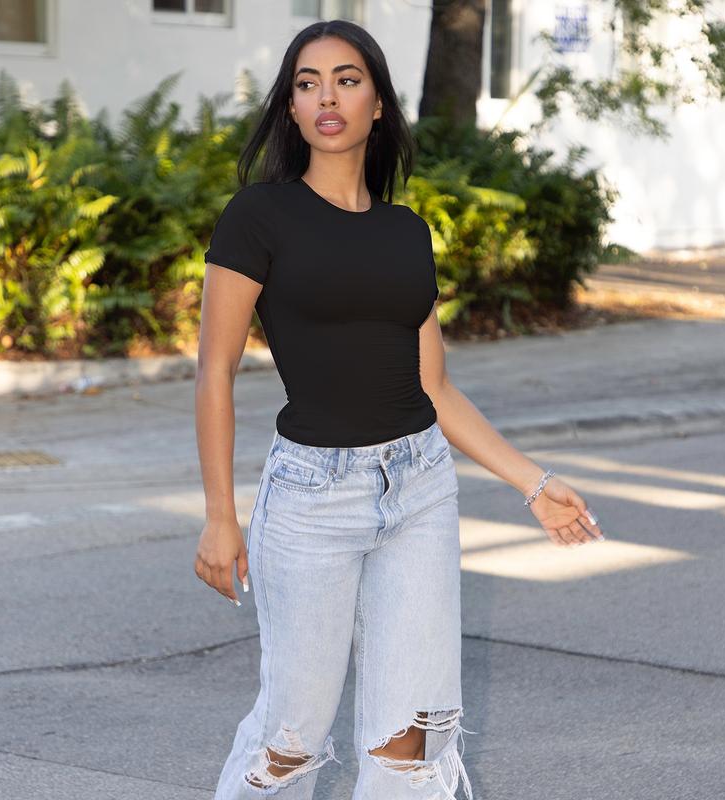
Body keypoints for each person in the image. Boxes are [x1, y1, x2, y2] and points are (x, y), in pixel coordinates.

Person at [194, 19, 605, 800]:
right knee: (291, 738)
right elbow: (214, 372)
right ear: (291, 107)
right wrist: (220, 516)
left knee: (412, 737)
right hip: (311, 499)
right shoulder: (258, 217)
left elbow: (435, 389)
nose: (327, 97)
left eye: (346, 80)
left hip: (419, 489)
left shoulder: (405, 232)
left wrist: (533, 481)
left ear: (377, 102)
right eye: (307, 83)